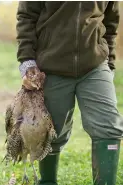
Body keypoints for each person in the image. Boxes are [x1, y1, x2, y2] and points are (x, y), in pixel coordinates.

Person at [16, 2, 123, 185]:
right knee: (50, 129)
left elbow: (111, 21)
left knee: (108, 127)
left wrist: (110, 62)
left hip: (95, 64)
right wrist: (27, 61)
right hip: (51, 65)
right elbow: (26, 17)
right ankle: (47, 181)